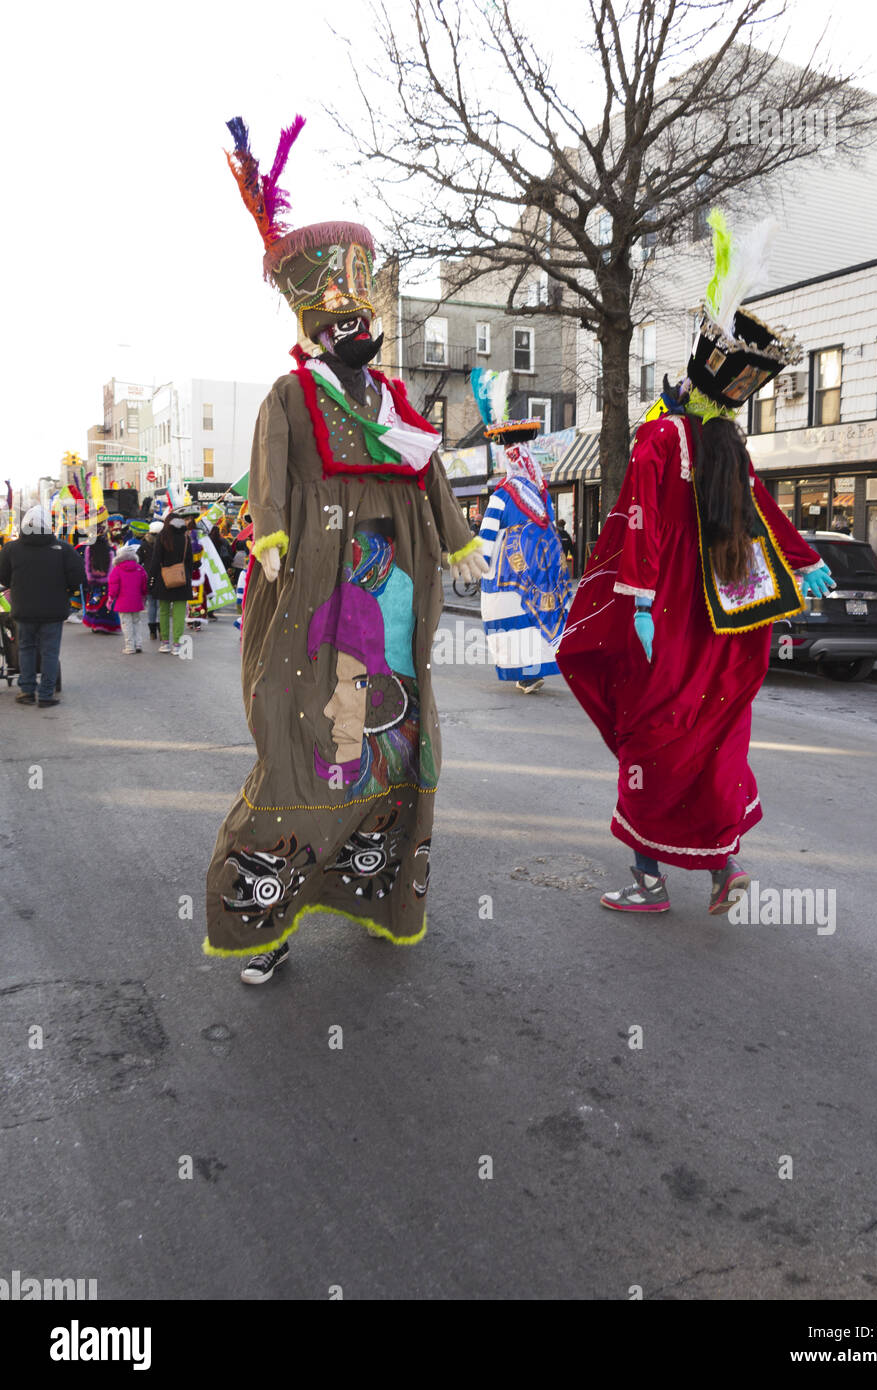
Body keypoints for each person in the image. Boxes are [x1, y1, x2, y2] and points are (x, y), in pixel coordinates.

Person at [205, 114, 487, 983]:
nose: (354, 329)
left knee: (399, 743)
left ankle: (380, 894)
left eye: (361, 314)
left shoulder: (398, 402)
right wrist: (275, 535)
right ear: (314, 329)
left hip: (398, 597)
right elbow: (269, 475)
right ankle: (268, 919)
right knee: (303, 749)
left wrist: (457, 536)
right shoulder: (292, 396)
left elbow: (431, 472)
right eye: (337, 320)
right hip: (317, 595)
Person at [557, 212, 835, 917]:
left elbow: (640, 526)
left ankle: (648, 883)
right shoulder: (727, 447)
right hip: (731, 620)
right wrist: (801, 564)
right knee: (711, 742)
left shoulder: (659, 440)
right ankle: (723, 870)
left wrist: (641, 604)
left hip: (673, 622)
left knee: (653, 741)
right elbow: (761, 517)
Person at [472, 368, 571, 695]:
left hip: (510, 569)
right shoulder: (542, 496)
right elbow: (552, 530)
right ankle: (532, 669)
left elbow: (487, 535)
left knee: (513, 617)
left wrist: (479, 562)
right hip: (541, 568)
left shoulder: (503, 495)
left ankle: (526, 671)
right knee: (533, 617)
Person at [0, 504, 85, 707]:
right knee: (49, 651)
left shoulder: (11, 548)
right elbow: (78, 577)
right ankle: (46, 694)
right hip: (53, 610)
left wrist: (15, 583)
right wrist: (66, 590)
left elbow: (3, 576)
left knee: (26, 648)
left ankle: (27, 691)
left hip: (23, 609)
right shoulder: (63, 548)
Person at [147, 513, 194, 654]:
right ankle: (177, 645)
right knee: (179, 613)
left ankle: (165, 643)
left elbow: (156, 560)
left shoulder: (162, 537)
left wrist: (151, 578)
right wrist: (188, 576)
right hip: (182, 577)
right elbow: (190, 561)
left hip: (164, 578)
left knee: (164, 611)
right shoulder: (186, 538)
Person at [107, 544, 149, 654]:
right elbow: (144, 585)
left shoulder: (117, 569)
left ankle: (130, 646)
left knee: (126, 624)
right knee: (137, 622)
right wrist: (144, 595)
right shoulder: (140, 568)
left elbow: (113, 587)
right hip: (136, 601)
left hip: (122, 602)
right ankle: (138, 644)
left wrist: (111, 598)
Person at [80, 527, 120, 634]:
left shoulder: (89, 549)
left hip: (93, 581)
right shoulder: (110, 550)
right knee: (106, 604)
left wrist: (89, 578)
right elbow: (112, 567)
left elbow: (87, 566)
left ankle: (95, 625)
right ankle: (106, 625)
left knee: (95, 601)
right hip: (106, 581)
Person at [138, 520, 164, 639]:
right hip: (162, 577)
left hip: (149, 578)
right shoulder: (164, 544)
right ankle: (161, 629)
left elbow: (138, 561)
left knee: (151, 605)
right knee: (160, 605)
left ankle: (152, 631)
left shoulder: (143, 545)